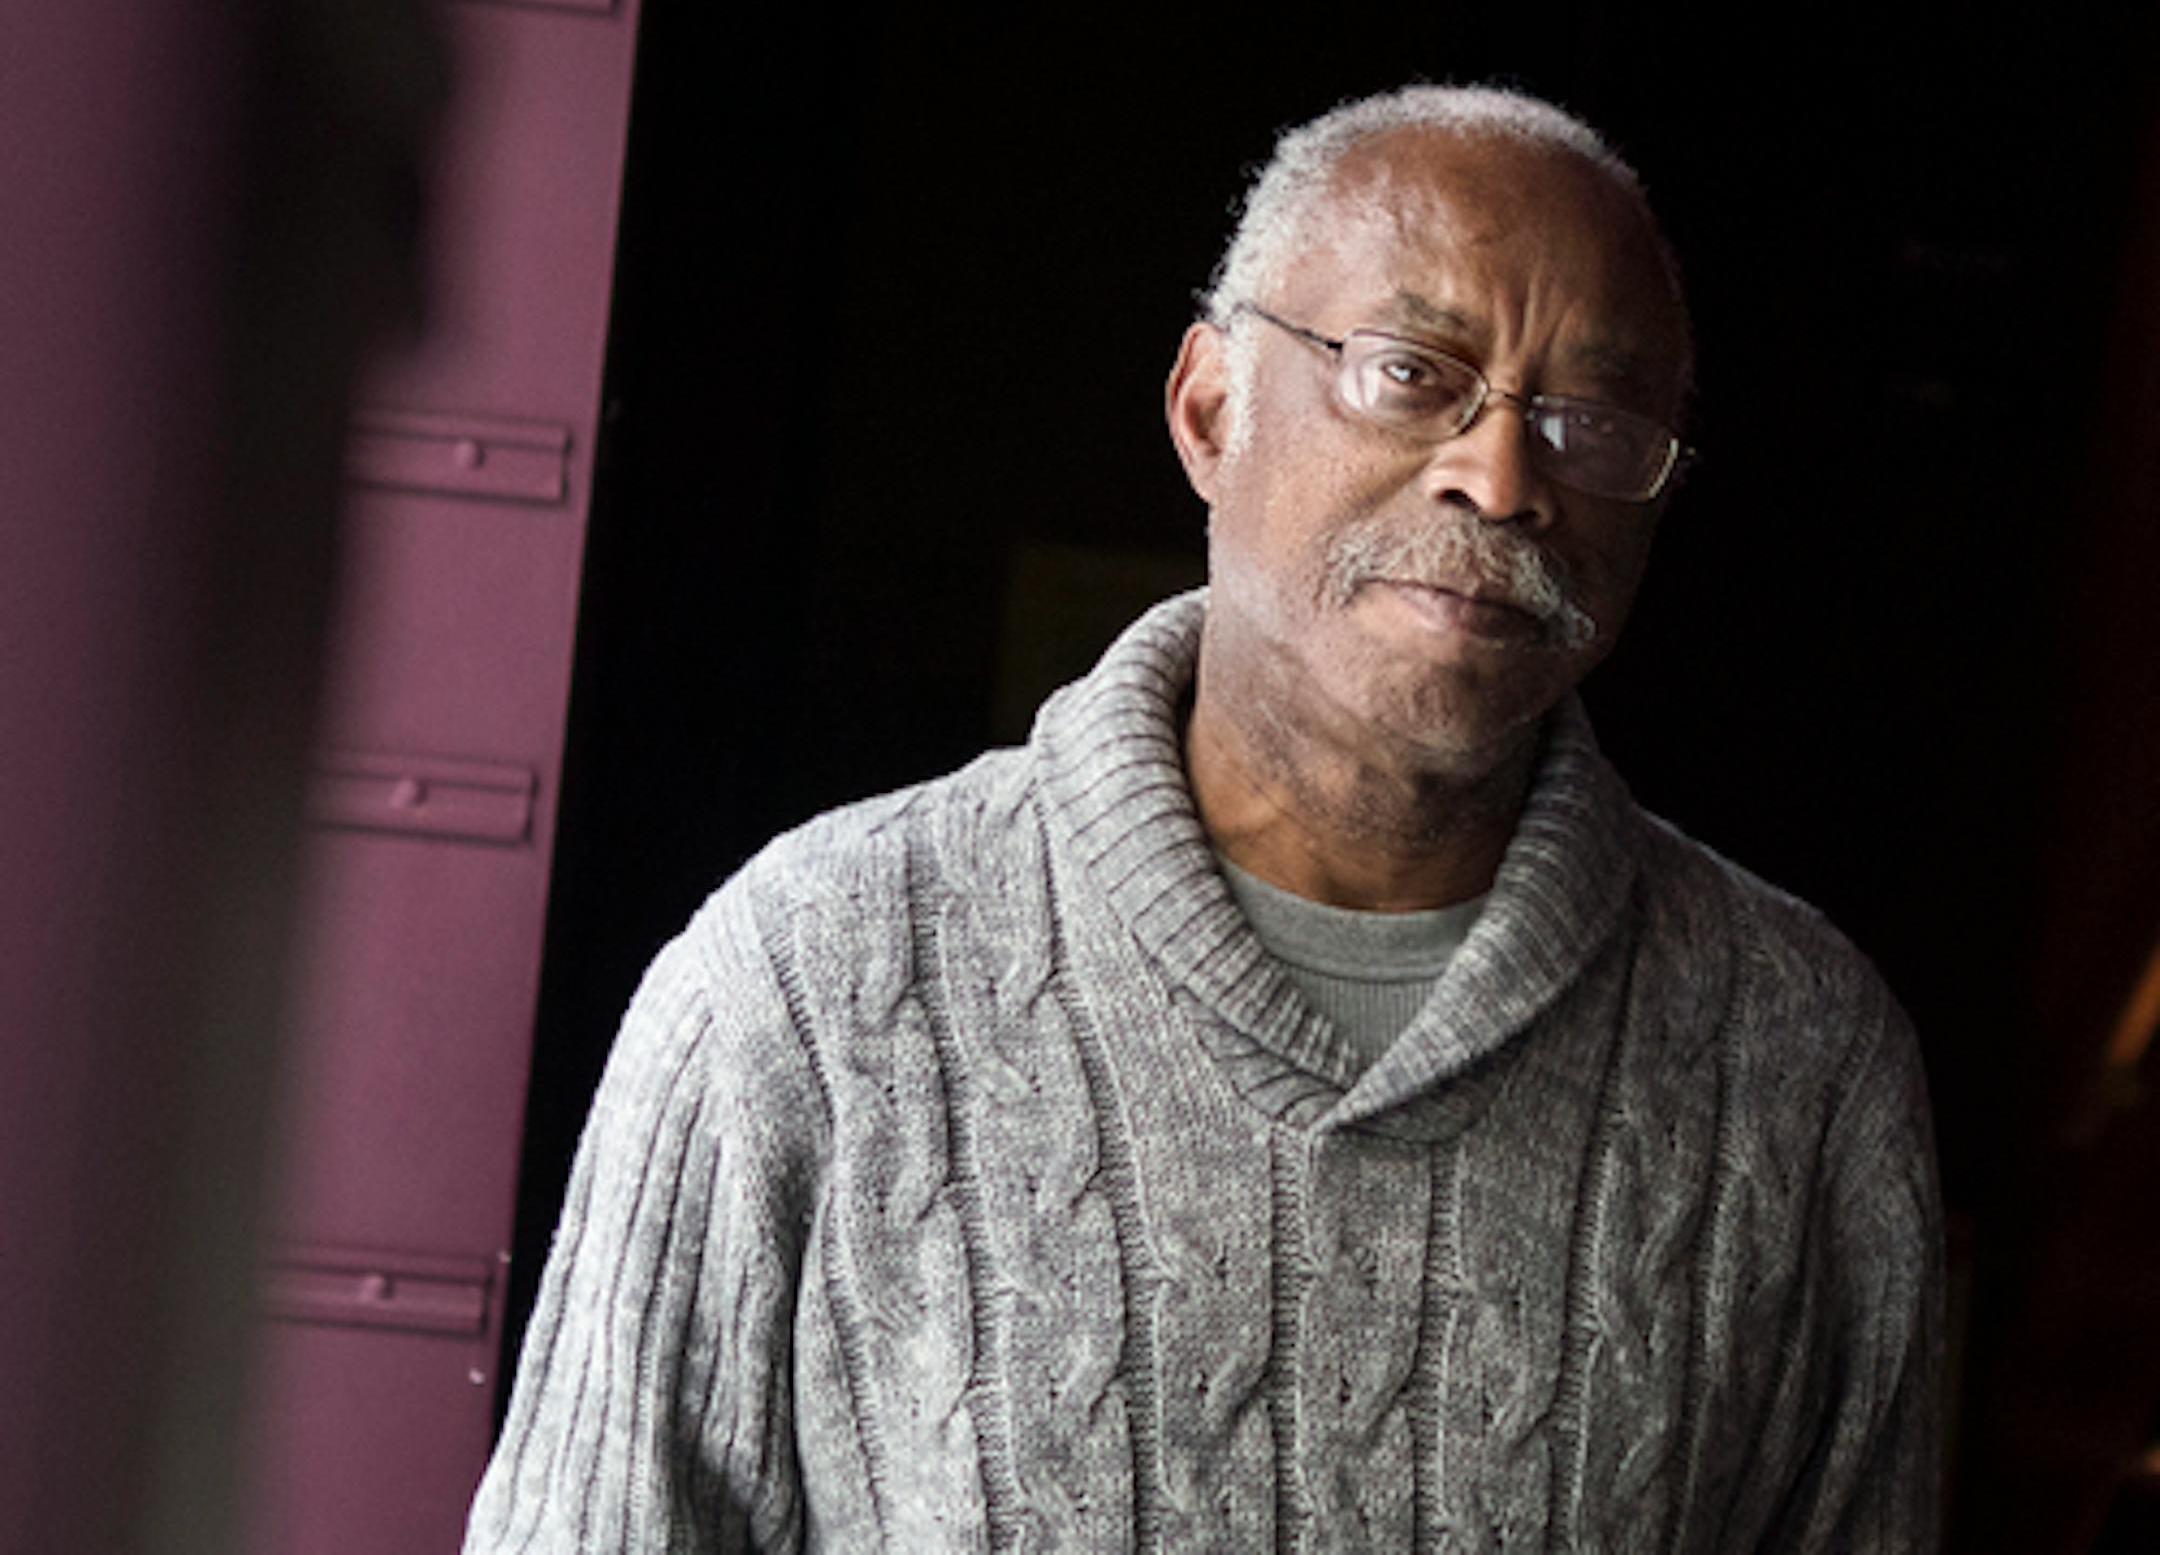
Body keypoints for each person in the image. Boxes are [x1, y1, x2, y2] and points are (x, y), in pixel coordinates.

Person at [463, 84, 1943, 1552]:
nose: (1501, 478)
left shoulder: (1800, 1062)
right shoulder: (808, 982)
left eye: (1589, 422)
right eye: (1411, 372)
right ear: (1212, 409)